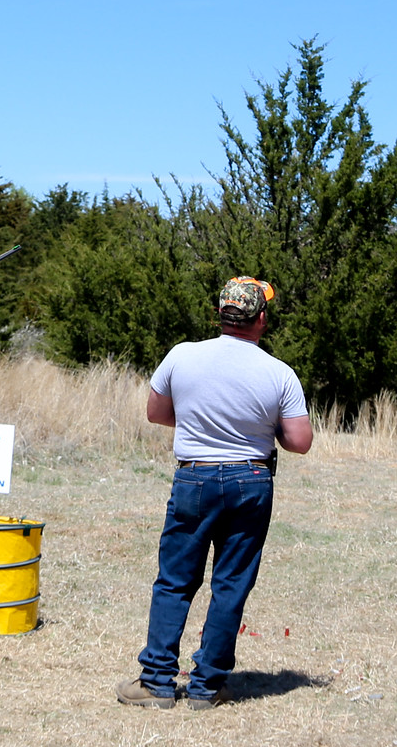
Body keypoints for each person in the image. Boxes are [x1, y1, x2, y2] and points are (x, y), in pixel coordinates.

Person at [119, 277, 313, 710]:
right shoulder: (279, 373)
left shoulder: (182, 355)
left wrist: (200, 424)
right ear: (261, 319)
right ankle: (207, 686)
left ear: (221, 314)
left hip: (194, 477)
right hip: (251, 479)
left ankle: (157, 683)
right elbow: (300, 441)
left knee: (174, 581)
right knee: (230, 584)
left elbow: (156, 413)